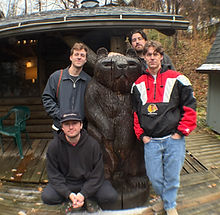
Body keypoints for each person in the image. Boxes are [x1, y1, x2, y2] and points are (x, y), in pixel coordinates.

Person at [131, 40, 197, 215]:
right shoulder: (137, 84)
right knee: (155, 177)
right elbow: (135, 113)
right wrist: (142, 135)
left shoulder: (178, 79)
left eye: (155, 54)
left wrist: (181, 131)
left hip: (173, 138)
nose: (152, 58)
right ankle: (167, 202)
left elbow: (190, 107)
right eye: (148, 54)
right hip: (151, 141)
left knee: (172, 177)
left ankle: (169, 206)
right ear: (144, 57)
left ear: (161, 56)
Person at [41, 111, 118, 212]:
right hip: (67, 183)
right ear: (62, 127)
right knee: (48, 197)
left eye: (74, 123)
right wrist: (68, 194)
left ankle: (87, 199)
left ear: (81, 125)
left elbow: (98, 174)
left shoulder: (92, 145)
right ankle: (71, 200)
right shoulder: (54, 146)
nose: (71, 127)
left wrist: (84, 194)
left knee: (110, 195)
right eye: (67, 124)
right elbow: (54, 175)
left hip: (88, 182)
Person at [42, 42, 91, 135]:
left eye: (82, 55)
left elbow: (92, 105)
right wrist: (60, 115)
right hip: (60, 128)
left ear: (85, 60)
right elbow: (47, 98)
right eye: (76, 54)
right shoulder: (56, 77)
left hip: (80, 130)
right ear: (71, 57)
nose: (79, 57)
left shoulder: (88, 81)